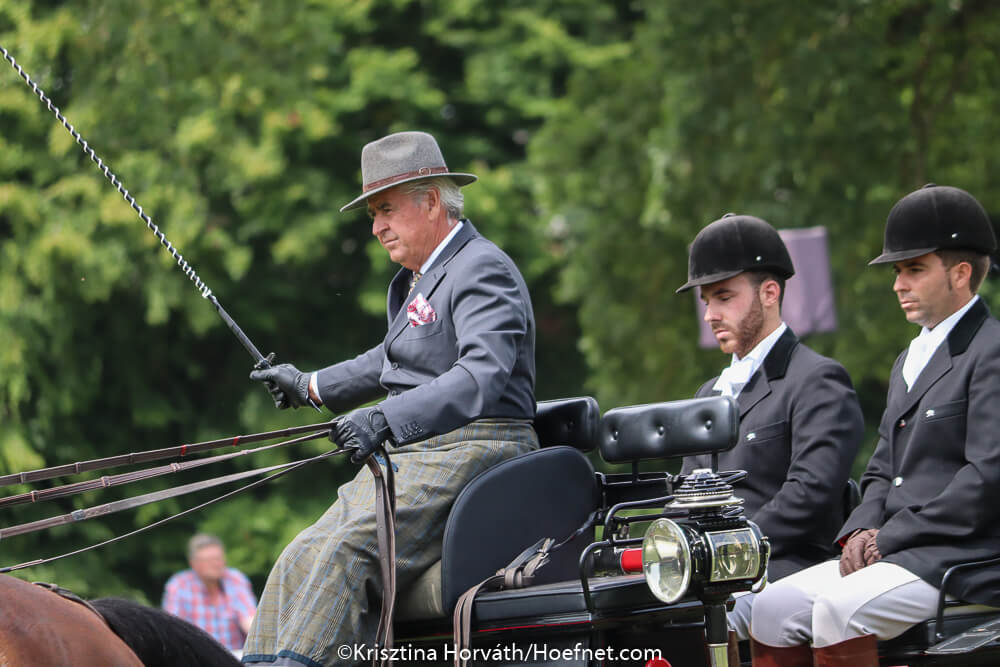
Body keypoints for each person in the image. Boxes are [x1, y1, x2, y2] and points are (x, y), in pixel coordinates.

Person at [243, 131, 537, 666]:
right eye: (373, 214)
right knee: (298, 555)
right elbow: (393, 358)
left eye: (386, 210)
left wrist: (384, 417)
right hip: (415, 453)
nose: (376, 227)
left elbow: (480, 374)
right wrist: (309, 385)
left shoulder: (481, 267)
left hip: (477, 446)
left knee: (345, 550)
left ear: (432, 202)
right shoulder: (416, 280)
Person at [749, 184, 1000, 667]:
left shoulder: (991, 352)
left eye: (914, 269)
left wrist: (890, 536)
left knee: (838, 610)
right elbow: (882, 468)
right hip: (898, 550)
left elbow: (985, 480)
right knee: (772, 607)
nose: (898, 284)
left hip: (963, 557)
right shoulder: (909, 359)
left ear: (961, 274)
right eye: (897, 271)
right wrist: (861, 531)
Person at [676, 214, 864, 651]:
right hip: (715, 572)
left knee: (691, 621)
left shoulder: (817, 380)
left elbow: (810, 493)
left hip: (786, 564)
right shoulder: (708, 394)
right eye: (706, 300)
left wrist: (728, 551)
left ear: (769, 293)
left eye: (724, 297)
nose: (710, 315)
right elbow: (688, 493)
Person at [162, 533, 257, 654]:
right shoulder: (179, 585)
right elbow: (174, 631)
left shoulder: (235, 579)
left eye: (218, 558)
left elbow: (250, 620)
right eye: (209, 560)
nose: (216, 564)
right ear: (194, 564)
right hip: (197, 658)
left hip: (235, 657)